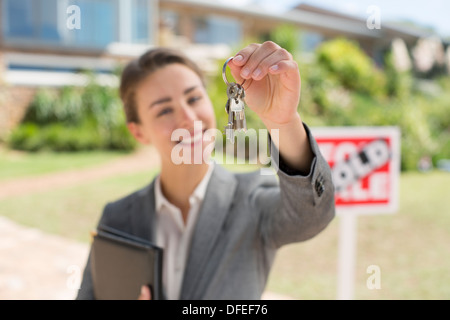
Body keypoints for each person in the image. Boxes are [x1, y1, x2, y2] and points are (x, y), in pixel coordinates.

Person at [77, 41, 335, 300]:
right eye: (165, 110)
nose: (188, 117)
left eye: (194, 98)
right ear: (138, 131)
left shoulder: (252, 199)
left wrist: (283, 122)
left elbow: (311, 215)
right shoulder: (117, 218)